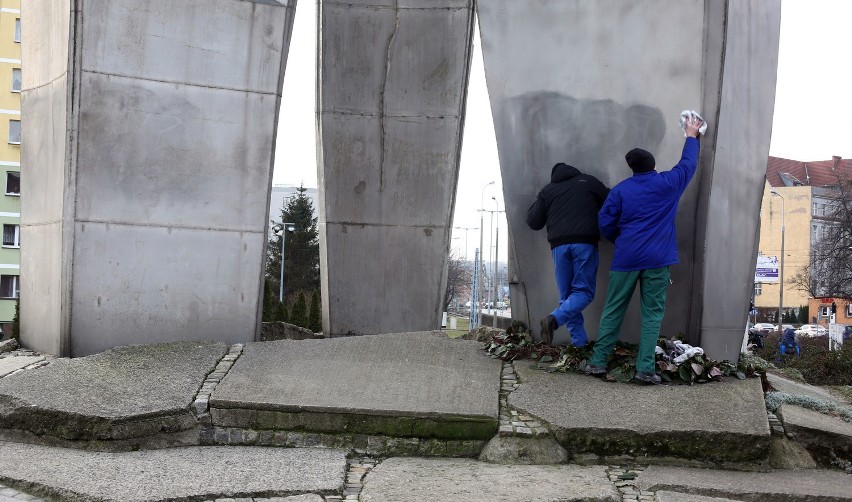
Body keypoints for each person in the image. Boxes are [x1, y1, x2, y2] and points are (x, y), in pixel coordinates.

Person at [585, 115, 704, 384]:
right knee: (652, 315)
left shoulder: (621, 191)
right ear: (652, 165)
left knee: (613, 310)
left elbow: (605, 221)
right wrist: (691, 136)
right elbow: (688, 164)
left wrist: (622, 239)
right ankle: (645, 369)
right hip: (658, 259)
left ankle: (597, 363)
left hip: (625, 259)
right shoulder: (667, 183)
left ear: (632, 169)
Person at [526, 162, 609, 346]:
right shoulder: (589, 181)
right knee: (584, 292)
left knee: (567, 297)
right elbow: (611, 202)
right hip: (584, 244)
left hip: (559, 247)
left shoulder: (548, 190)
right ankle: (553, 319)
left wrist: (542, 199)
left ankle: (579, 345)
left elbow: (533, 221)